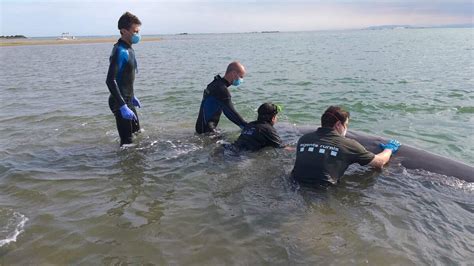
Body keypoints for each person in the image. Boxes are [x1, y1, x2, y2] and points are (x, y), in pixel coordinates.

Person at [291, 106, 401, 186]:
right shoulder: (348, 145)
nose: (346, 128)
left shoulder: (304, 139)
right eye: (346, 125)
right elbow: (379, 162)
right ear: (338, 124)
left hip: (294, 184)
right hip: (323, 192)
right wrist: (389, 149)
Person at [106, 12, 142, 146]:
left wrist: (132, 95)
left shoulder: (129, 49)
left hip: (128, 99)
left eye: (138, 31)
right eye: (135, 31)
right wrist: (122, 106)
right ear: (124, 31)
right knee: (127, 142)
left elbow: (125, 77)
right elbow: (110, 80)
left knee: (137, 133)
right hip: (119, 102)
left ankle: (136, 164)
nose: (138, 34)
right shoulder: (120, 51)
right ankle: (124, 165)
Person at [195, 62, 248, 134]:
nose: (241, 80)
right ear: (233, 73)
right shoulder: (222, 90)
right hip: (207, 130)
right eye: (241, 77)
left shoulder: (215, 83)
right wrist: (247, 126)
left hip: (201, 127)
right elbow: (231, 113)